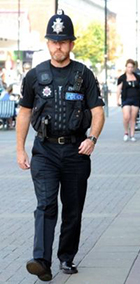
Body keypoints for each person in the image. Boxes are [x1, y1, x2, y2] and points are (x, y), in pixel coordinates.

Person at [16, 10, 105, 281]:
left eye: (64, 41)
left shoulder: (84, 74)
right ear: (47, 43)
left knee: (73, 207)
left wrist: (92, 139)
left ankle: (66, 257)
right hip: (44, 150)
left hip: (77, 150)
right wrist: (19, 148)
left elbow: (98, 111)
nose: (59, 46)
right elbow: (24, 112)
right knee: (45, 205)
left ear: (72, 44)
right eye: (54, 41)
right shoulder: (35, 75)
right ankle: (41, 260)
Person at [117, 59, 140, 142]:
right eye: (128, 67)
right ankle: (126, 132)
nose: (130, 69)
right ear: (126, 67)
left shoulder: (138, 77)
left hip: (136, 99)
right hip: (126, 99)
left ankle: (132, 134)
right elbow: (118, 89)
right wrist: (117, 100)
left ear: (134, 68)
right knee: (126, 116)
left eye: (132, 67)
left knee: (133, 118)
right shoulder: (122, 78)